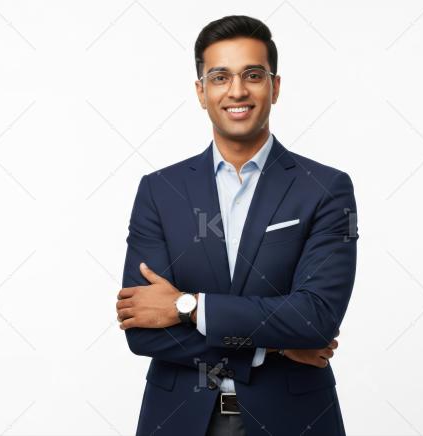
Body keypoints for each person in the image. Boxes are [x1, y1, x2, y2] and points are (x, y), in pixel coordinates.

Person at [115, 15, 358, 436]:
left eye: (253, 75)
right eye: (220, 77)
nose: (237, 91)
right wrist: (278, 345)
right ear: (201, 92)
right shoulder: (159, 191)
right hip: (180, 418)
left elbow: (316, 318)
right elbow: (143, 329)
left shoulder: (325, 189)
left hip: (294, 419)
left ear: (274, 87)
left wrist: (184, 307)